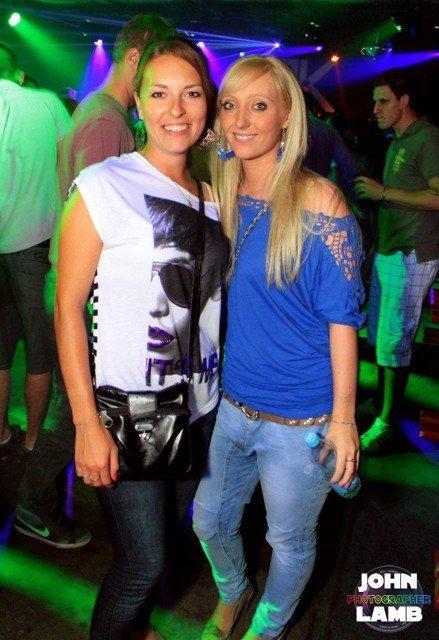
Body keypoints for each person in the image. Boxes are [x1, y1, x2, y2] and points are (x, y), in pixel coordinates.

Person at [55, 37, 228, 640]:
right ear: (138, 102)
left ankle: (135, 629)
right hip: (131, 412)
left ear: (207, 104)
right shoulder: (104, 184)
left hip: (201, 406)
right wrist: (86, 422)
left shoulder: (213, 198)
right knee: (141, 564)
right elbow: (67, 308)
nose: (175, 109)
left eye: (191, 94)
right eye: (159, 94)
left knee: (170, 540)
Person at [192, 56, 365, 640]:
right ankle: (234, 591)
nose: (242, 120)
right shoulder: (224, 192)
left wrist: (345, 420)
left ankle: (265, 630)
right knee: (208, 521)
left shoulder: (320, 202)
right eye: (231, 105)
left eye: (259, 105)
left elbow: (343, 320)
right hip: (232, 405)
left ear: (287, 115)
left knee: (288, 542)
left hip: (301, 421)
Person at [15, 14, 175, 549]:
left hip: (79, 285)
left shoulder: (101, 113)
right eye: (156, 67)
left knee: (72, 406)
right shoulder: (105, 121)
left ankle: (40, 501)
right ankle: (35, 506)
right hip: (83, 291)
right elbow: (106, 218)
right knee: (72, 411)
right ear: (136, 58)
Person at [355, 68, 439, 454]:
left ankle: (388, 423)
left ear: (404, 102)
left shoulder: (428, 138)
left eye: (383, 101)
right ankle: (381, 405)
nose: (376, 109)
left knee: (396, 342)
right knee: (381, 338)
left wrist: (384, 192)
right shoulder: (398, 140)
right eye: (375, 101)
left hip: (413, 255)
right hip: (390, 252)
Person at [0, 42, 70, 460]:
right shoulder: (47, 104)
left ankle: (1, 436)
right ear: (20, 74)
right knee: (41, 352)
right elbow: (69, 171)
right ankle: (31, 441)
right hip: (35, 244)